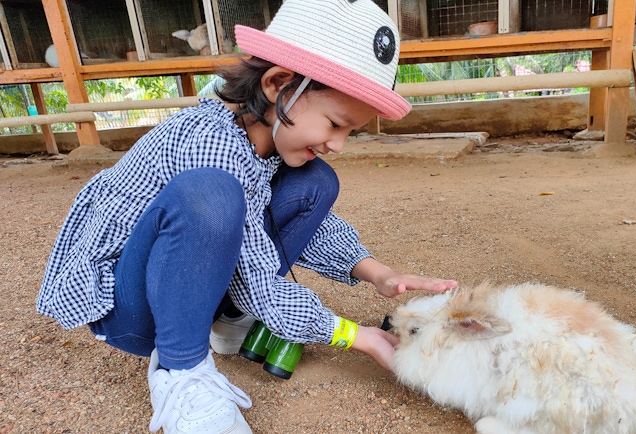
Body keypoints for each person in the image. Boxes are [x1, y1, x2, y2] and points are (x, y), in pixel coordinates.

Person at [36, 0, 459, 432]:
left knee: (316, 182)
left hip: (190, 278)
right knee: (212, 193)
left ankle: (226, 318)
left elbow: (274, 222)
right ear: (278, 84)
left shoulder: (265, 143)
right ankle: (181, 370)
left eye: (349, 132)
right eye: (335, 123)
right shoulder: (210, 144)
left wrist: (376, 272)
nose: (339, 144)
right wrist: (355, 335)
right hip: (133, 310)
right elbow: (254, 269)